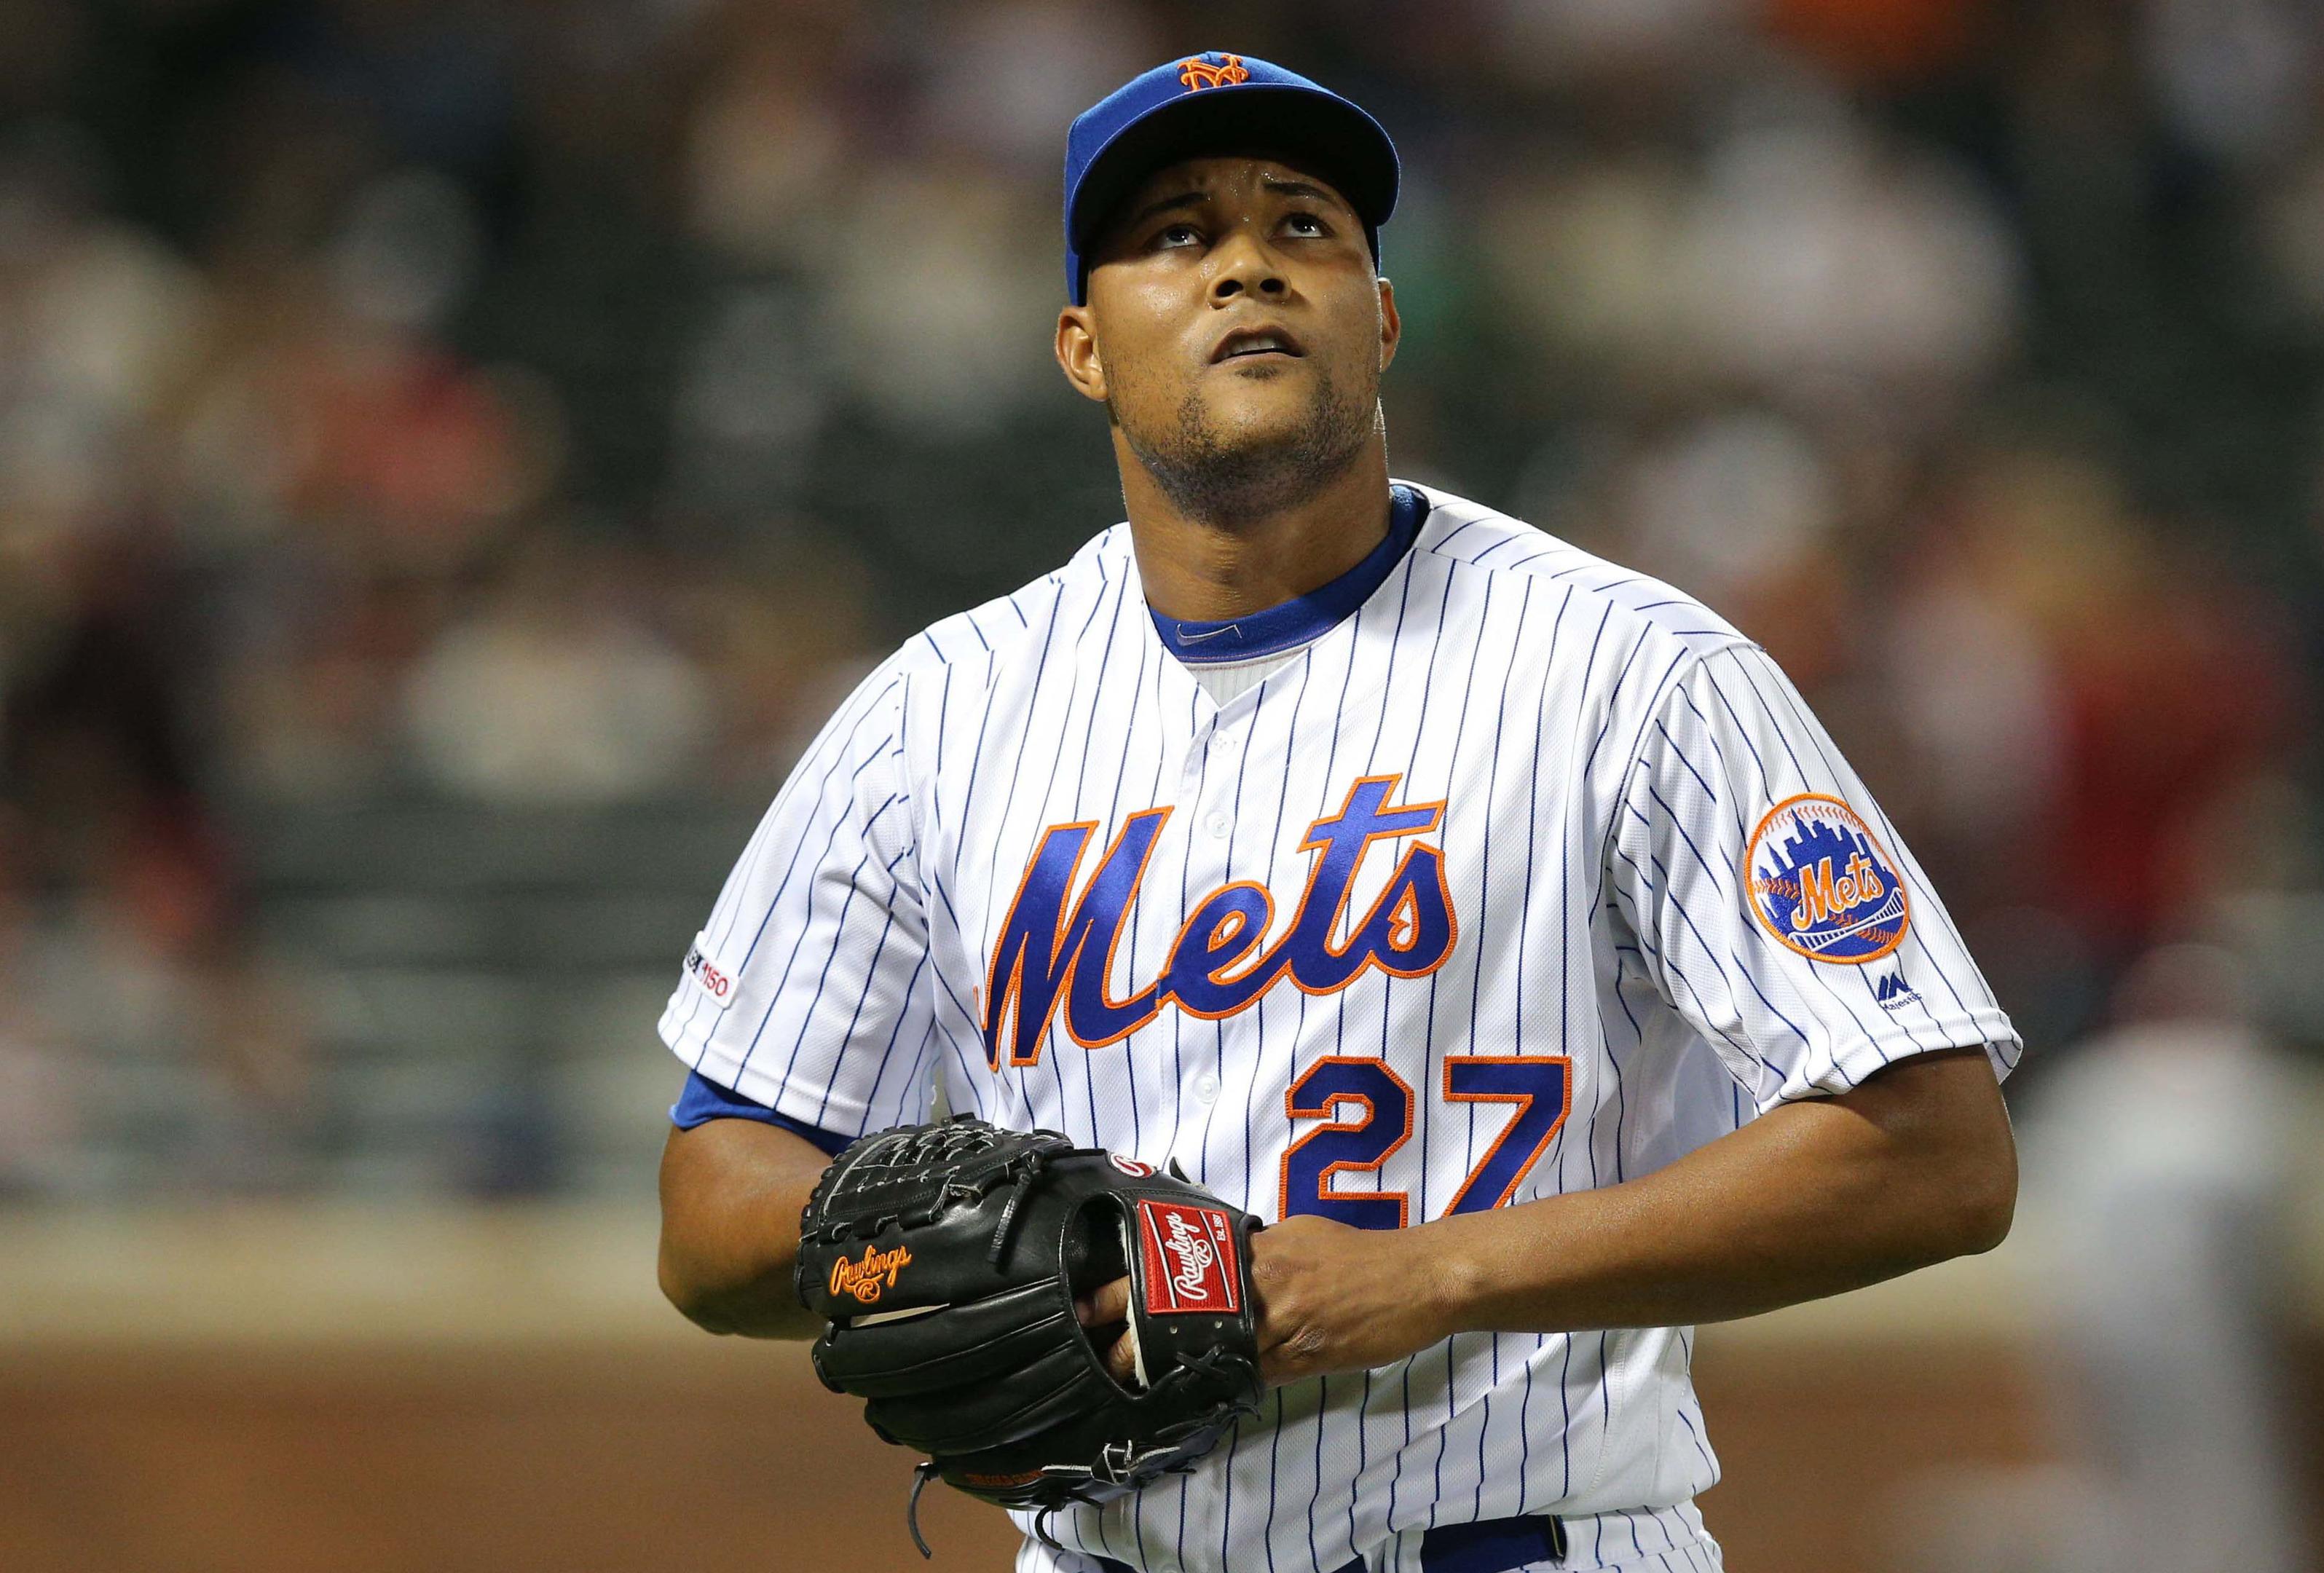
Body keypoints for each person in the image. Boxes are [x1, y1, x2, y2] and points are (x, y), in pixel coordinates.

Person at [652, 51, 2020, 1573]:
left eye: (1304, 225)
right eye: (1175, 233)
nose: (1246, 261)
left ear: (1379, 316)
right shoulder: (935, 716)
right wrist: (954, 1232)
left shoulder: (1636, 673)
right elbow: (712, 1203)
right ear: (1080, 347)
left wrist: (1427, 1276)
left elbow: (1937, 1151)